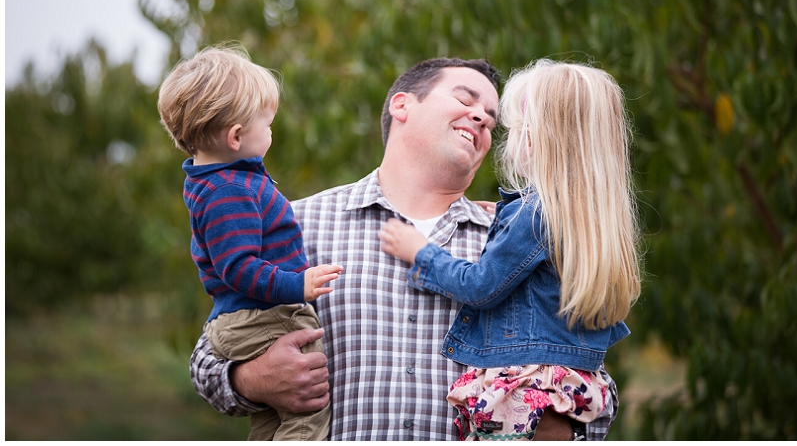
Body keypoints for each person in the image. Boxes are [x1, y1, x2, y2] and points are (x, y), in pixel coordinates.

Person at [189, 57, 622, 440]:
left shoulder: (516, 242)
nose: (482, 119)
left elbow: (583, 370)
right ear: (402, 105)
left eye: (492, 119)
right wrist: (250, 380)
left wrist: (560, 427)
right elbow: (209, 357)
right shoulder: (297, 223)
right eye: (465, 98)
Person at [378, 59, 642, 440]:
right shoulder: (588, 218)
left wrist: (421, 252)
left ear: (533, 138)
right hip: (569, 390)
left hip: (523, 396)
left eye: (514, 128)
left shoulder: (531, 215)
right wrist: (505, 218)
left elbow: (481, 286)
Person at [158, 45, 343, 440]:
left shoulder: (218, 181)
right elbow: (238, 267)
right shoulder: (229, 191)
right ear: (237, 136)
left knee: (272, 420)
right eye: (268, 124)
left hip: (242, 318)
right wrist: (299, 285)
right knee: (309, 408)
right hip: (264, 317)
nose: (272, 132)